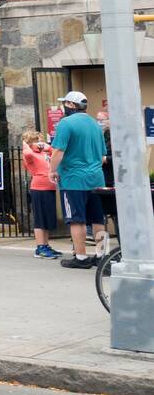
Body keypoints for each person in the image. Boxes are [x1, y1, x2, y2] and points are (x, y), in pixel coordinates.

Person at [49, 92, 109, 269]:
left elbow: (58, 151)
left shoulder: (66, 124)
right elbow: (102, 156)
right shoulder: (95, 124)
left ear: (71, 105)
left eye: (64, 104)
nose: (63, 107)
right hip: (97, 178)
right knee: (98, 219)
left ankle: (81, 257)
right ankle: (101, 255)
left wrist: (52, 170)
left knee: (77, 219)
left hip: (73, 179)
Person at [21, 130, 63, 259]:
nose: (41, 143)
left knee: (47, 218)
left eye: (41, 140)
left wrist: (47, 147)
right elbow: (27, 153)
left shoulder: (44, 152)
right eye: (38, 140)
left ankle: (46, 245)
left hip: (49, 187)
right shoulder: (30, 154)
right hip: (39, 188)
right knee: (40, 219)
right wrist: (25, 144)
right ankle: (40, 247)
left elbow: (54, 153)